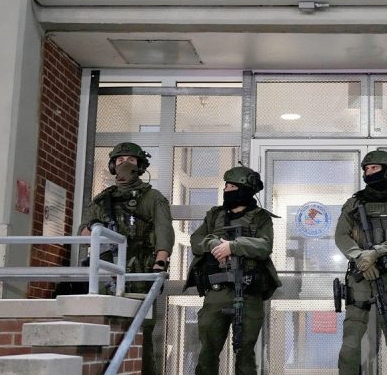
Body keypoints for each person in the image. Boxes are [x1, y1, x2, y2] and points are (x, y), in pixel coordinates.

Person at [80, 142, 174, 375]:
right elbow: (83, 233)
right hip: (108, 271)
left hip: (140, 271)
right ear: (113, 166)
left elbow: (164, 232)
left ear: (140, 166)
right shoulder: (102, 200)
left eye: (131, 161)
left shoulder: (152, 198)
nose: (124, 164)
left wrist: (159, 263)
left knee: (141, 333)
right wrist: (96, 229)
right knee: (106, 329)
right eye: (120, 161)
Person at [184, 165, 281, 375]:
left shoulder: (261, 217)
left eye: (232, 186)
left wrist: (233, 246)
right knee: (208, 352)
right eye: (226, 185)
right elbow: (196, 241)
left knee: (245, 354)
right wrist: (212, 243)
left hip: (249, 293)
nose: (226, 189)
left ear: (245, 189)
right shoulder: (215, 215)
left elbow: (265, 246)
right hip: (217, 292)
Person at [334, 150, 387, 375]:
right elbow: (341, 236)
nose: (369, 172)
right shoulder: (353, 204)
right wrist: (361, 258)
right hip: (360, 278)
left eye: (374, 168)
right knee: (351, 342)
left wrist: (376, 253)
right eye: (366, 169)